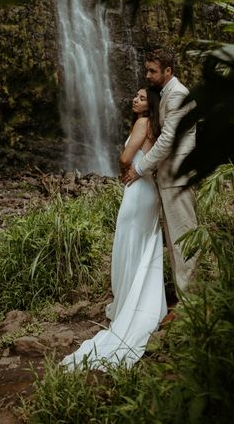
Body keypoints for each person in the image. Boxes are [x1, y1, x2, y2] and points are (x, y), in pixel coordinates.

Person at [61, 87, 167, 370]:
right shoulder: (152, 125)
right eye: (135, 95)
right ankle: (145, 303)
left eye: (142, 97)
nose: (135, 99)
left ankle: (129, 306)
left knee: (129, 245)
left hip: (138, 192)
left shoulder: (143, 123)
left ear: (151, 104)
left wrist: (125, 168)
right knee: (143, 246)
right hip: (146, 190)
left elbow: (124, 157)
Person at [122, 48, 197, 297]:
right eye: (147, 70)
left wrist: (139, 169)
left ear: (168, 71)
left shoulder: (177, 95)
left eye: (153, 71)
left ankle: (191, 303)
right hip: (169, 179)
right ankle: (185, 298)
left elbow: (167, 140)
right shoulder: (166, 94)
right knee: (175, 240)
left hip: (177, 179)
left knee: (183, 239)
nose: (148, 75)